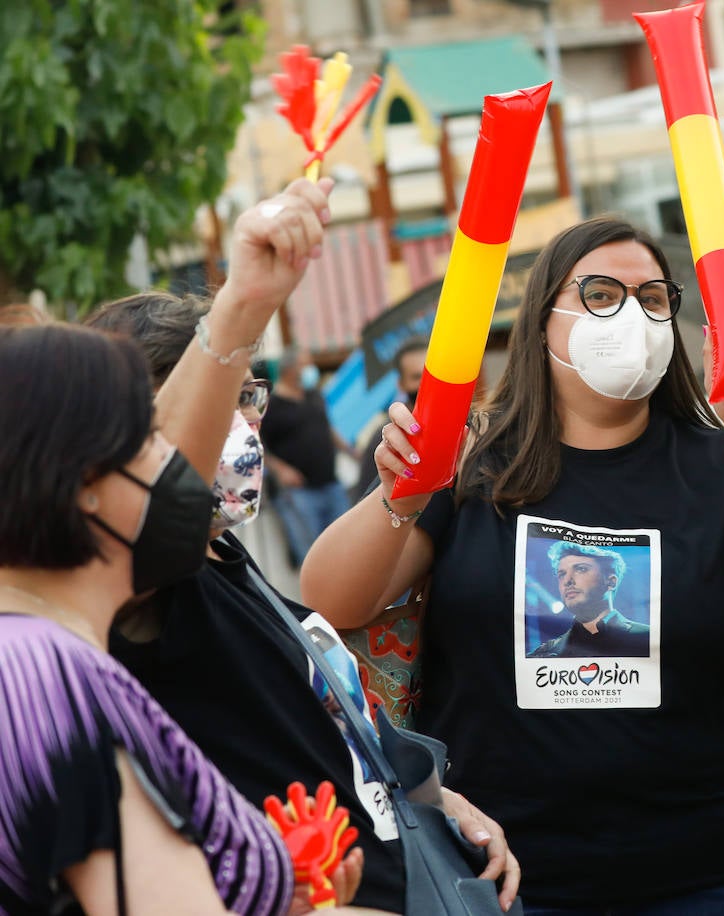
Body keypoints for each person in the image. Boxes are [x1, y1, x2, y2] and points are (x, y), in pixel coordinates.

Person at [300, 216, 724, 913]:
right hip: (503, 873)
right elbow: (330, 598)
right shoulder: (471, 463)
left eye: (653, 298)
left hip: (709, 871)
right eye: (599, 293)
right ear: (541, 322)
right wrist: (402, 494)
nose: (631, 315)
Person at [86, 180, 518, 914]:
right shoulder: (153, 576)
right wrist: (243, 304)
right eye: (222, 396)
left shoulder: (228, 562)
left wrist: (440, 797)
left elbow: (327, 725)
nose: (244, 426)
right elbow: (154, 508)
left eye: (249, 396)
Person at [0, 324, 366, 915]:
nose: (181, 456)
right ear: (83, 483)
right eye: (148, 434)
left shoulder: (43, 654)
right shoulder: (47, 673)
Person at [260, 346, 352, 564]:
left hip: (331, 483)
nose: (310, 369)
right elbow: (260, 445)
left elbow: (326, 426)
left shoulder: (313, 395)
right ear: (289, 370)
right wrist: (282, 470)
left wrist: (349, 450)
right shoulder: (272, 406)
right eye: (304, 364)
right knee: (314, 554)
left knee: (348, 544)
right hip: (300, 492)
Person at [528, 541, 650, 658]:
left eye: (581, 569)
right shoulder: (546, 653)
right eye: (562, 574)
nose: (567, 581)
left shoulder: (648, 637)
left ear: (611, 582)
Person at [352, 337, 429, 503]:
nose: (426, 383)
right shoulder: (385, 440)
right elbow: (363, 503)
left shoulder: (463, 425)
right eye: (417, 377)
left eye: (430, 375)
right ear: (401, 384)